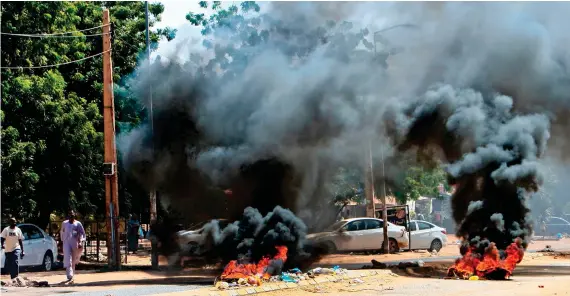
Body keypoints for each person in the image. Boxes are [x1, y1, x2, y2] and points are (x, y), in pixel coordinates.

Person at [60, 210, 85, 283]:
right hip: (66, 243)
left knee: (73, 260)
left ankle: (72, 275)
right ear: (68, 216)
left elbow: (82, 233)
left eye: (72, 215)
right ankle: (69, 275)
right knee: (68, 258)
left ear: (74, 216)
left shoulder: (78, 224)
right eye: (70, 215)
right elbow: (61, 232)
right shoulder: (64, 223)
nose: (71, 216)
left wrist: (80, 241)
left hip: (75, 243)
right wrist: (61, 242)